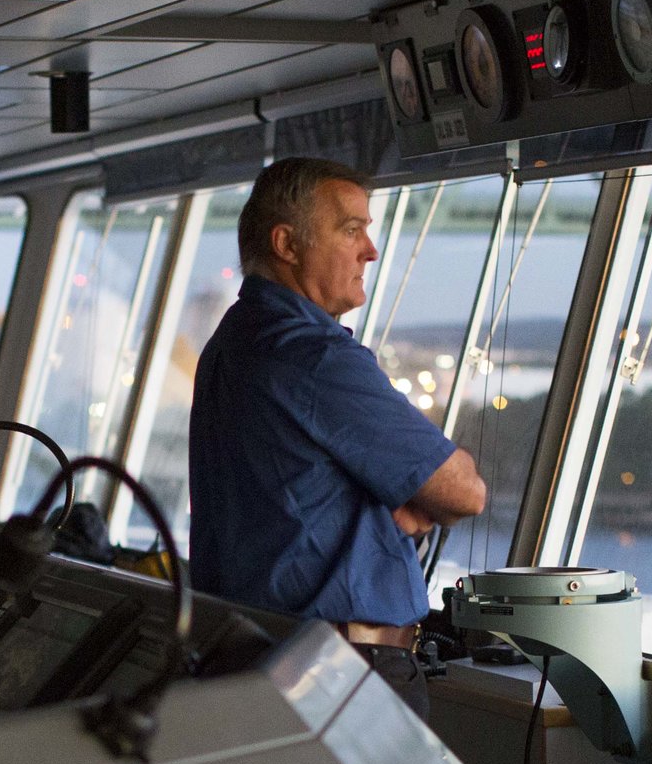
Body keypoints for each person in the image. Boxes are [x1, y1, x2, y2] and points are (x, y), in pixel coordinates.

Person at [188, 156, 486, 704]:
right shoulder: (314, 355)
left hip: (260, 655)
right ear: (287, 244)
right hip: (342, 671)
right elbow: (463, 491)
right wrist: (408, 496)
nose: (369, 250)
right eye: (351, 230)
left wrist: (401, 494)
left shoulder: (231, 343)